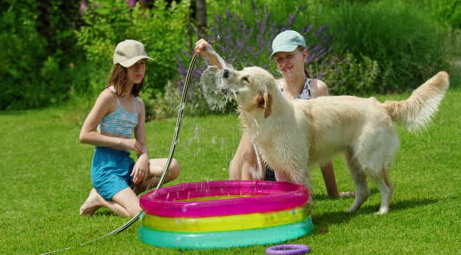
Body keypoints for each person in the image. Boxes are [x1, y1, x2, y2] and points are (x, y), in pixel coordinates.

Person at [195, 30, 352, 198]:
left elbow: (322, 141)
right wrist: (211, 54)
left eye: (289, 56)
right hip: (262, 166)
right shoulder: (271, 88)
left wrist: (333, 193)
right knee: (251, 129)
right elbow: (233, 77)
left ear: (304, 55)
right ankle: (246, 198)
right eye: (279, 59)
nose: (284, 62)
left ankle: (249, 197)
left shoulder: (316, 88)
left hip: (290, 166)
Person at [79, 39, 180, 217]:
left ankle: (127, 193)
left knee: (172, 166)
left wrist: (143, 158)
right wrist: (124, 142)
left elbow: (142, 143)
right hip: (107, 171)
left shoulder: (138, 104)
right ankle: (99, 198)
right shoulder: (108, 97)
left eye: (142, 64)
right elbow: (85, 134)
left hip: (127, 167)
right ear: (121, 68)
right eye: (133, 64)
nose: (139, 69)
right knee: (142, 215)